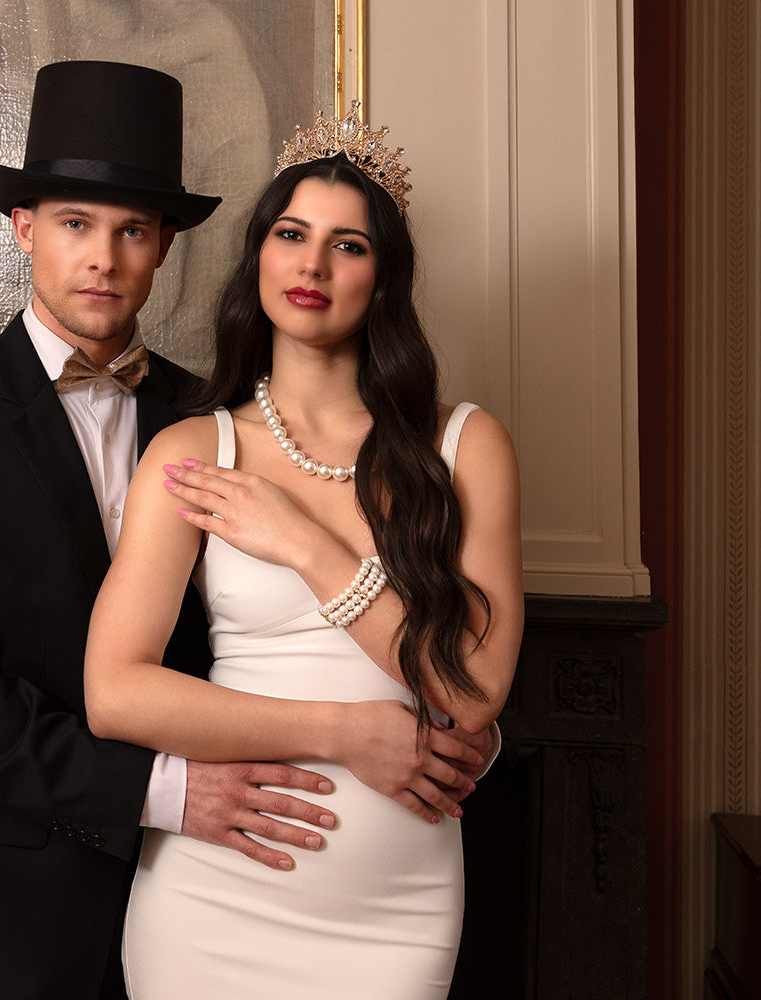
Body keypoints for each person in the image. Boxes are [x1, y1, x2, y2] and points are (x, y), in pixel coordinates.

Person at [0, 61, 360, 1000]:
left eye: (132, 230)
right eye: (75, 224)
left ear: (165, 244)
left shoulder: (216, 420)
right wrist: (162, 791)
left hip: (198, 892)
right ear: (24, 227)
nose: (104, 258)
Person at [84, 104, 524, 998]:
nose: (313, 264)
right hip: (212, 902)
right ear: (259, 257)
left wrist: (305, 545)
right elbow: (114, 692)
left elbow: (472, 694)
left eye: (347, 245)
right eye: (291, 234)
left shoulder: (465, 446)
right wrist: (343, 733)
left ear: (384, 275)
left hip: (398, 910)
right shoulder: (196, 451)